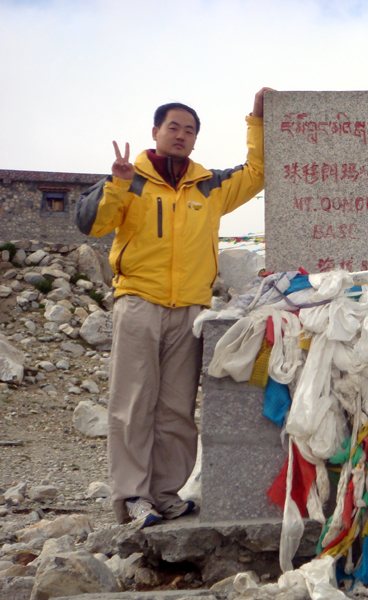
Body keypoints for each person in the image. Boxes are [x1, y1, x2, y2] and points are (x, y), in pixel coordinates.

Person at [75, 87, 272, 528]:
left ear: (195, 139)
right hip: (139, 304)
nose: (180, 135)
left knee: (177, 407)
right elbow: (92, 224)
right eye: (173, 127)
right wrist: (118, 183)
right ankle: (132, 498)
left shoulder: (210, 185)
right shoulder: (131, 179)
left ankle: (167, 494)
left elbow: (258, 172)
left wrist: (256, 120)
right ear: (155, 132)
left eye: (189, 130)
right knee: (132, 403)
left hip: (190, 309)